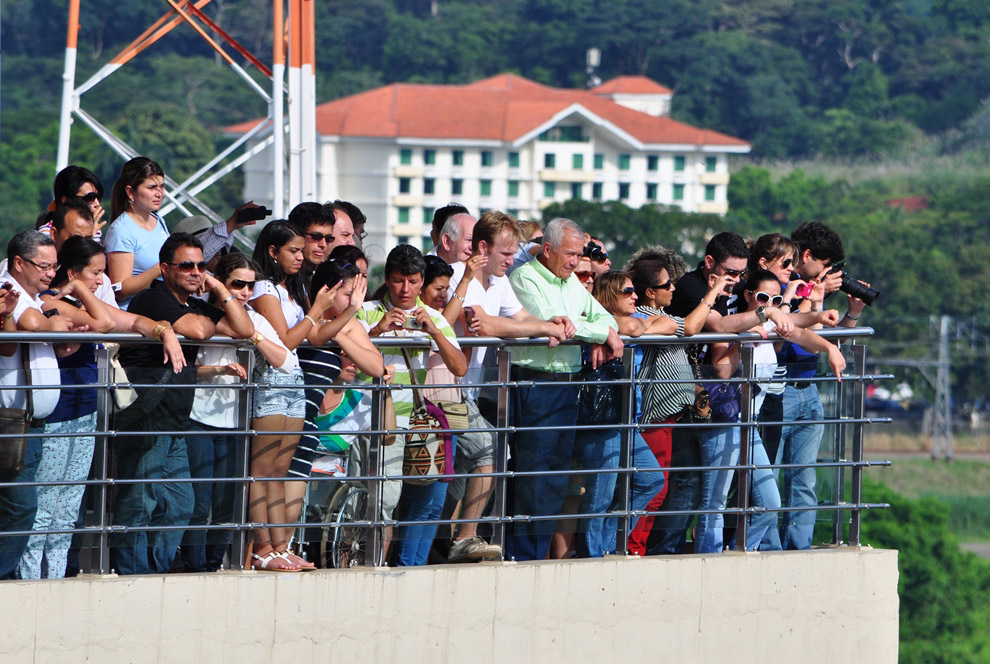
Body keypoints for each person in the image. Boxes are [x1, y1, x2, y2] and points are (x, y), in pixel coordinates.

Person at [18, 236, 185, 579]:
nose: (102, 280)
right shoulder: (48, 301)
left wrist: (163, 330)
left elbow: (133, 322)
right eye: (95, 273)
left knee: (69, 503)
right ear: (74, 271)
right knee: (47, 504)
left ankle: (56, 576)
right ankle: (32, 579)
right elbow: (106, 323)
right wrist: (80, 290)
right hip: (54, 414)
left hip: (85, 411)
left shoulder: (83, 302)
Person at [112, 232, 252, 576]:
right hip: (148, 412)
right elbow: (200, 331)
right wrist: (199, 319)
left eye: (201, 265)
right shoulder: (153, 299)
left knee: (180, 504)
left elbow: (244, 327)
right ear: (164, 269)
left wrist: (218, 288)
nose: (195, 272)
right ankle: (134, 576)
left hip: (175, 415)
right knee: (141, 501)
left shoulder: (196, 302)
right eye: (186, 265)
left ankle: (156, 573)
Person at [443, 211, 570, 562]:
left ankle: (449, 537)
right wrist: (544, 330)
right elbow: (480, 325)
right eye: (505, 254)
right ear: (482, 248)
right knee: (488, 452)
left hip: (468, 393)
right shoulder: (457, 277)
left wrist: (549, 322)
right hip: (444, 389)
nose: (512, 261)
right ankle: (462, 538)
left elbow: (518, 319)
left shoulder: (500, 281)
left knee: (465, 466)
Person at [701, 269, 845, 552]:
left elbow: (801, 334)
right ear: (748, 296)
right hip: (724, 420)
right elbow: (720, 369)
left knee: (770, 502)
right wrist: (744, 339)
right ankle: (710, 558)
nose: (769, 305)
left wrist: (830, 348)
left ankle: (741, 551)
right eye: (763, 298)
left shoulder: (771, 323)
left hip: (749, 424)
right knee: (714, 502)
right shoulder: (734, 323)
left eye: (775, 299)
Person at [506, 217, 623, 561]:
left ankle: (536, 555)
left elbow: (606, 318)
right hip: (535, 383)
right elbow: (555, 326)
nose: (575, 262)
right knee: (534, 478)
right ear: (548, 250)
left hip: (566, 385)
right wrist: (600, 334)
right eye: (569, 254)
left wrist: (602, 332)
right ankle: (523, 556)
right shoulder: (524, 278)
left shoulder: (569, 281)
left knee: (556, 478)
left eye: (579, 255)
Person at [181, 253, 295, 572]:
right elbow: (186, 368)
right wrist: (218, 368)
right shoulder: (199, 312)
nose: (244, 292)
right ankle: (194, 567)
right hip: (198, 417)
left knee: (226, 503)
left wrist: (255, 337)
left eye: (249, 286)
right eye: (237, 285)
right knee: (200, 501)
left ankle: (213, 565)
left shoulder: (253, 320)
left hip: (234, 421)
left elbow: (285, 362)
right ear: (219, 283)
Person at [355, 245, 466, 566]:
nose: (405, 289)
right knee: (369, 501)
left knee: (405, 502)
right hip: (368, 419)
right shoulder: (365, 310)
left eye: (413, 281)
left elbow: (459, 367)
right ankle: (361, 567)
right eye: (398, 280)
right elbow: (346, 359)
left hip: (410, 423)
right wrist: (377, 331)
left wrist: (435, 332)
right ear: (387, 280)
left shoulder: (431, 317)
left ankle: (389, 569)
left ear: (421, 282)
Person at [248, 220, 338, 570]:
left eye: (302, 251)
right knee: (262, 470)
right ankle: (262, 548)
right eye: (293, 251)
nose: (301, 257)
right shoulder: (264, 288)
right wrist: (316, 310)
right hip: (270, 379)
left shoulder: (290, 289)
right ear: (273, 251)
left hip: (293, 381)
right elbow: (285, 340)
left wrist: (347, 308)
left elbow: (312, 337)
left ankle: (280, 546)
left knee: (280, 471)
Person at [772, 221, 867, 550]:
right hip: (779, 389)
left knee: (804, 480)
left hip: (808, 390)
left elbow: (826, 339)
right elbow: (800, 338)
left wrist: (852, 314)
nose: (828, 274)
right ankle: (764, 545)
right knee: (764, 475)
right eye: (826, 267)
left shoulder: (812, 289)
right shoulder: (784, 284)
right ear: (808, 255)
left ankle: (797, 547)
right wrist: (818, 297)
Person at [622, 254, 726, 555]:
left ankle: (636, 545)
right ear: (650, 292)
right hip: (652, 419)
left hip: (667, 419)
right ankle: (632, 546)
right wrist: (713, 293)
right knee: (653, 488)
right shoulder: (644, 315)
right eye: (667, 285)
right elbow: (692, 327)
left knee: (659, 487)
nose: (673, 289)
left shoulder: (655, 316)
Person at [573, 271, 664, 557]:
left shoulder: (611, 324)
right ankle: (592, 557)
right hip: (603, 418)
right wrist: (632, 326)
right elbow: (636, 328)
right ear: (609, 296)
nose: (635, 296)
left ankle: (607, 545)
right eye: (627, 292)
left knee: (651, 479)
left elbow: (669, 323)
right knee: (600, 492)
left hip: (627, 420)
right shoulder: (598, 324)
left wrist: (639, 325)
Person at [0, 231, 70, 579]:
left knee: (20, 506)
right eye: (43, 266)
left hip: (29, 422)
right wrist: (57, 318)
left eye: (54, 266)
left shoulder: (31, 296)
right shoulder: (9, 294)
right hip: (10, 421)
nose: (50, 273)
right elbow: (32, 333)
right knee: (19, 507)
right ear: (18, 264)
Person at [104, 157, 170, 309]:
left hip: (162, 302)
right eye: (152, 187)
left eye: (161, 186)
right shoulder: (121, 230)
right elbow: (120, 289)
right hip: (135, 310)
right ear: (130, 192)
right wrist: (162, 267)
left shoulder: (159, 221)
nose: (159, 193)